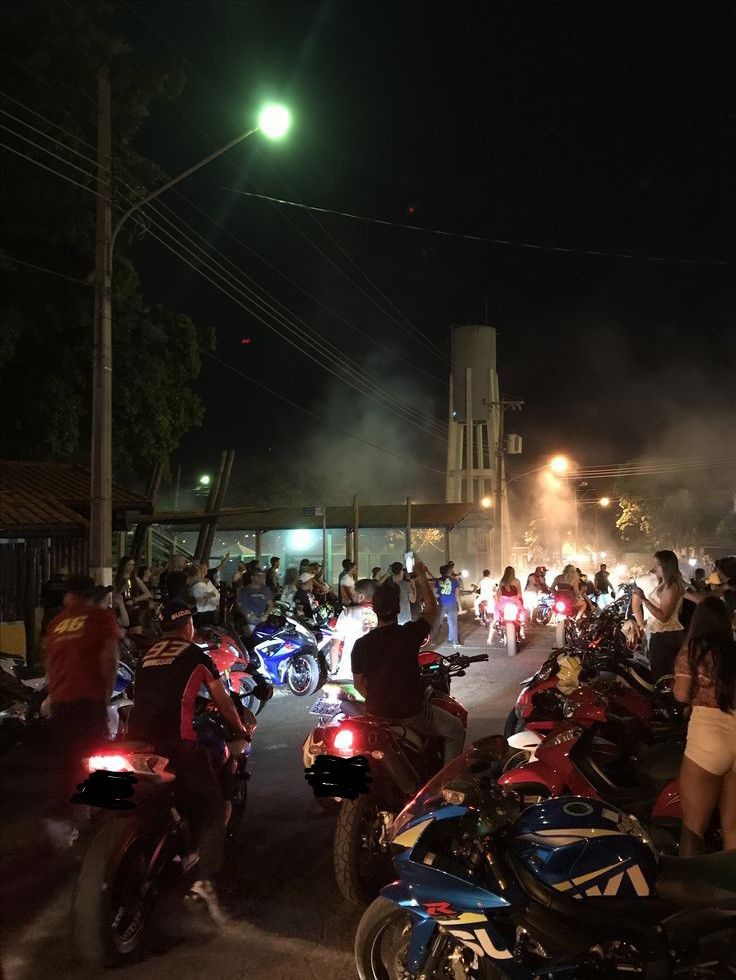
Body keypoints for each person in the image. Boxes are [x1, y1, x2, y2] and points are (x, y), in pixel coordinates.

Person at [128, 601, 255, 923]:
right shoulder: (195, 655)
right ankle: (203, 880)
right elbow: (222, 698)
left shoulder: (147, 655)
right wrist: (240, 728)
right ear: (188, 627)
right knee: (213, 807)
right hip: (176, 744)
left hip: (135, 745)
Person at [351, 560, 465, 763]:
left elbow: (359, 684)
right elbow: (431, 611)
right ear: (397, 608)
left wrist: (380, 699)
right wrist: (421, 576)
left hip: (375, 712)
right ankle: (446, 782)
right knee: (455, 728)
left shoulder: (361, 644)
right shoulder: (409, 634)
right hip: (410, 713)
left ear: (374, 609)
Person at [43, 576, 122, 848]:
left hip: (61, 701)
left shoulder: (56, 623)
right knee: (98, 754)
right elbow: (110, 657)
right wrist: (106, 695)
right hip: (88, 700)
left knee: (66, 760)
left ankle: (61, 821)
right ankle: (103, 819)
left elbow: (50, 663)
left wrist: (53, 696)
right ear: (88, 596)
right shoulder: (99, 618)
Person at [673, 596, 736, 856]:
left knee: (693, 829)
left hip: (709, 736)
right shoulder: (734, 649)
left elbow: (681, 695)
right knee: (733, 829)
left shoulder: (694, 648)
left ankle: (689, 893)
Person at [631, 550, 685, 682]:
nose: (654, 568)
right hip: (661, 634)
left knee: (663, 676)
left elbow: (664, 616)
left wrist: (644, 599)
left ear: (666, 565)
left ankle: (664, 701)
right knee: (661, 674)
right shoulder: (665, 582)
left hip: (666, 636)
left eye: (658, 565)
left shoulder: (670, 586)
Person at [329, 578, 378, 677]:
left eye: (354, 593)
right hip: (374, 674)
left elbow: (334, 646)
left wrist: (333, 671)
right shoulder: (382, 615)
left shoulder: (348, 613)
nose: (352, 595)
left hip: (349, 672)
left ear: (361, 597)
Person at [115, 555, 152, 635]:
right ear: (123, 565)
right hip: (121, 609)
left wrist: (134, 600)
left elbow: (147, 593)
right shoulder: (117, 579)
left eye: (133, 564)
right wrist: (122, 589)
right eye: (129, 564)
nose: (131, 567)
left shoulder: (135, 578)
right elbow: (114, 596)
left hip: (132, 608)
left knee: (137, 635)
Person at [428, 564, 463, 648]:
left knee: (438, 623)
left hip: (441, 604)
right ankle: (454, 641)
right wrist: (460, 607)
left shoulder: (438, 580)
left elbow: (434, 591)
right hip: (451, 604)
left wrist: (438, 597)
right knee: (453, 622)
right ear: (450, 571)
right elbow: (457, 595)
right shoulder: (454, 581)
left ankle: (433, 640)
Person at [236, 569, 274, 634]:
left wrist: (266, 615)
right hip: (248, 622)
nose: (261, 578)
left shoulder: (266, 589)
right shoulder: (244, 590)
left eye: (262, 576)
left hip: (262, 621)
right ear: (252, 577)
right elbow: (239, 606)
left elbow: (270, 604)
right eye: (258, 576)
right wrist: (248, 615)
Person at [189, 561, 220, 630]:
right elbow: (203, 596)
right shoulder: (195, 584)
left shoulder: (207, 580)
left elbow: (215, 593)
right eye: (204, 568)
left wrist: (212, 595)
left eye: (206, 568)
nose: (206, 569)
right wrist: (210, 594)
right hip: (201, 612)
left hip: (211, 609)